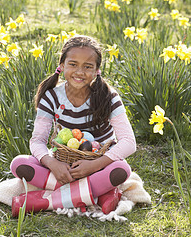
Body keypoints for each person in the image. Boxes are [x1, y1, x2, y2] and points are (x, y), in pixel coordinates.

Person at [10, 35, 136, 216]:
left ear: (97, 70)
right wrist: (52, 163)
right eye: (73, 64)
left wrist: (95, 165)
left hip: (99, 164)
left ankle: (44, 201)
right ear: (61, 65)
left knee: (121, 170)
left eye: (88, 66)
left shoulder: (108, 96)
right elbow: (37, 140)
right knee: (19, 164)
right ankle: (99, 195)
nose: (79, 72)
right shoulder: (52, 97)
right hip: (65, 165)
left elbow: (129, 142)